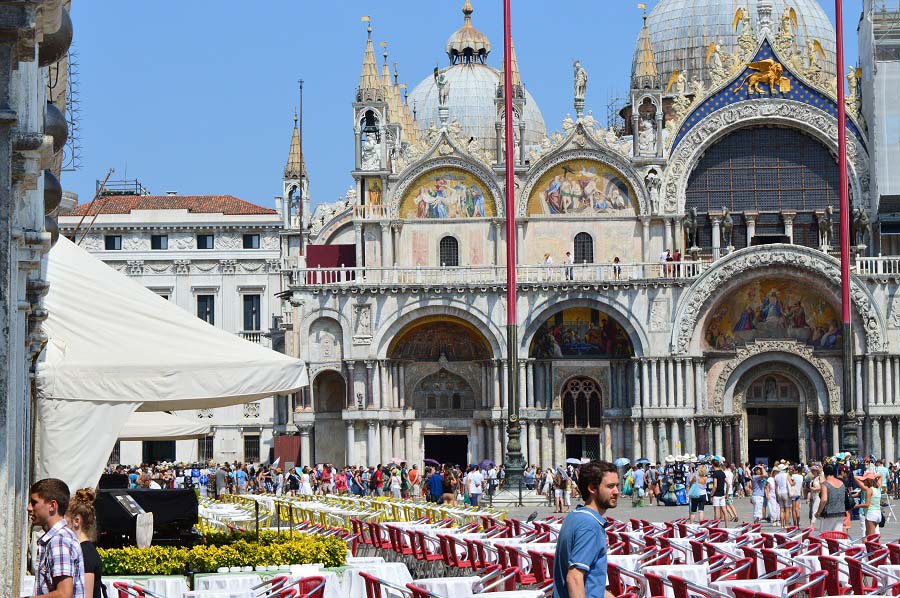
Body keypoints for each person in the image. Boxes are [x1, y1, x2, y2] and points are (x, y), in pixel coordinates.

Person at [552, 461, 619, 598]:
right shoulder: (590, 526)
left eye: (617, 486)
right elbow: (574, 578)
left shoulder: (574, 516)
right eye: (610, 486)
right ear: (592, 488)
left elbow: (591, 586)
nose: (616, 492)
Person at [28, 478, 86, 598]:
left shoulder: (59, 540)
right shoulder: (57, 539)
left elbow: (64, 594)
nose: (29, 508)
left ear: (52, 506)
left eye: (34, 503)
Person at [66, 489, 102, 598]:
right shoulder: (82, 549)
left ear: (76, 521)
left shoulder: (85, 553)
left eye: (64, 518)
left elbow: (86, 595)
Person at [816, 462, 847, 532]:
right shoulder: (842, 483)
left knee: (825, 536)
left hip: (829, 513)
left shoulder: (825, 484)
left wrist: (818, 512)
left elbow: (824, 499)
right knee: (837, 535)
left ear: (824, 472)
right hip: (841, 513)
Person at [855, 471, 882, 536]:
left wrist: (856, 506)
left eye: (864, 480)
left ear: (867, 481)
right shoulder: (878, 488)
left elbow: (867, 504)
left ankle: (870, 546)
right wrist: (873, 476)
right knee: (874, 535)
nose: (863, 482)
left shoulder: (869, 490)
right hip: (878, 513)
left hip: (871, 513)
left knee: (870, 536)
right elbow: (880, 475)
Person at [710, 459, 727, 524]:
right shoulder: (722, 472)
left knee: (716, 511)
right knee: (724, 510)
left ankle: (715, 526)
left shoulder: (715, 473)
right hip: (722, 494)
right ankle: (727, 526)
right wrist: (727, 492)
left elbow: (715, 486)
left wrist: (711, 495)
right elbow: (727, 483)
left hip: (716, 494)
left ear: (712, 465)